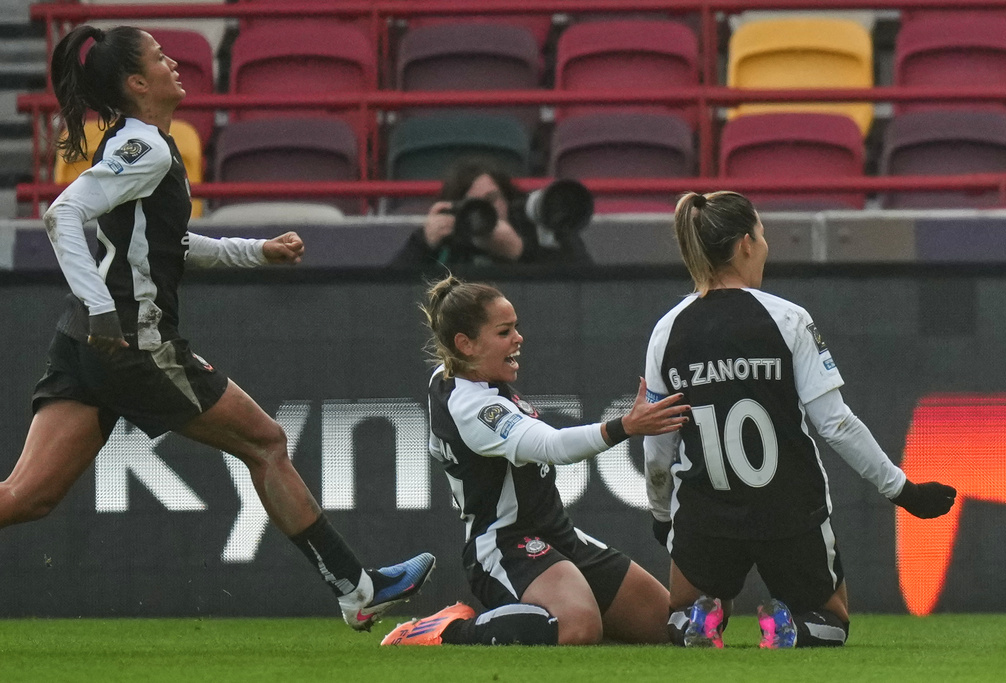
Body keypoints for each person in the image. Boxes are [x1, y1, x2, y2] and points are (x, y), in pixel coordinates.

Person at [3, 24, 434, 630]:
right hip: (132, 342)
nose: (173, 62)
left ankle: (357, 588)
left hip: (82, 343)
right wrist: (102, 308)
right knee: (266, 443)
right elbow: (61, 215)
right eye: (158, 57)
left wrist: (256, 252)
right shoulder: (147, 148)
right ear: (135, 82)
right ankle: (356, 588)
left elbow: (169, 245)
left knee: (26, 498)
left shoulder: (137, 144)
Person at [643, 191, 958, 649]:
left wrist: (659, 512)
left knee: (682, 610)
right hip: (788, 511)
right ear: (746, 244)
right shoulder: (789, 319)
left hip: (706, 511)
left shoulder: (666, 330)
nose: (766, 245)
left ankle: (702, 618)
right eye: (764, 234)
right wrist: (902, 490)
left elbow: (658, 439)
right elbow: (837, 424)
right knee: (833, 621)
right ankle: (787, 625)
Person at [380, 275, 690, 646]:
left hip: (557, 534)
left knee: (666, 626)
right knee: (578, 626)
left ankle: (550, 614)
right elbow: (553, 446)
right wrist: (626, 425)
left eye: (515, 328)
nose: (518, 338)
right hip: (505, 544)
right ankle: (447, 630)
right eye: (504, 332)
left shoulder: (457, 376)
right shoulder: (471, 406)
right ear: (465, 344)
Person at [388, 159, 593, 268]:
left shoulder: (530, 226)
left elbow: (585, 279)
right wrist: (422, 244)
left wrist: (521, 253)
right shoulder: (448, 241)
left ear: (506, 199)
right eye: (474, 204)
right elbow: (388, 293)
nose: (487, 210)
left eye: (492, 198)